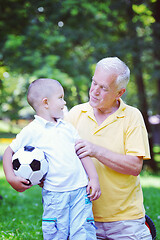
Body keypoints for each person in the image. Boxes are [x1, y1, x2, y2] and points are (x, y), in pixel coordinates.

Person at [65, 57, 152, 240]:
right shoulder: (75, 114)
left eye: (103, 88)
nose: (94, 91)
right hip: (83, 217)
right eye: (94, 83)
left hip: (126, 220)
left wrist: (95, 150)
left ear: (119, 92)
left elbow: (135, 167)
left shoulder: (132, 117)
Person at [3, 78, 101, 240]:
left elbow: (82, 153)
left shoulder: (67, 128)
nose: (64, 102)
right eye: (61, 98)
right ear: (46, 102)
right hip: (55, 195)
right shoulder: (32, 131)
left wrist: (94, 178)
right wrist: (11, 177)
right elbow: (9, 152)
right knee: (56, 233)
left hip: (80, 191)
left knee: (83, 232)